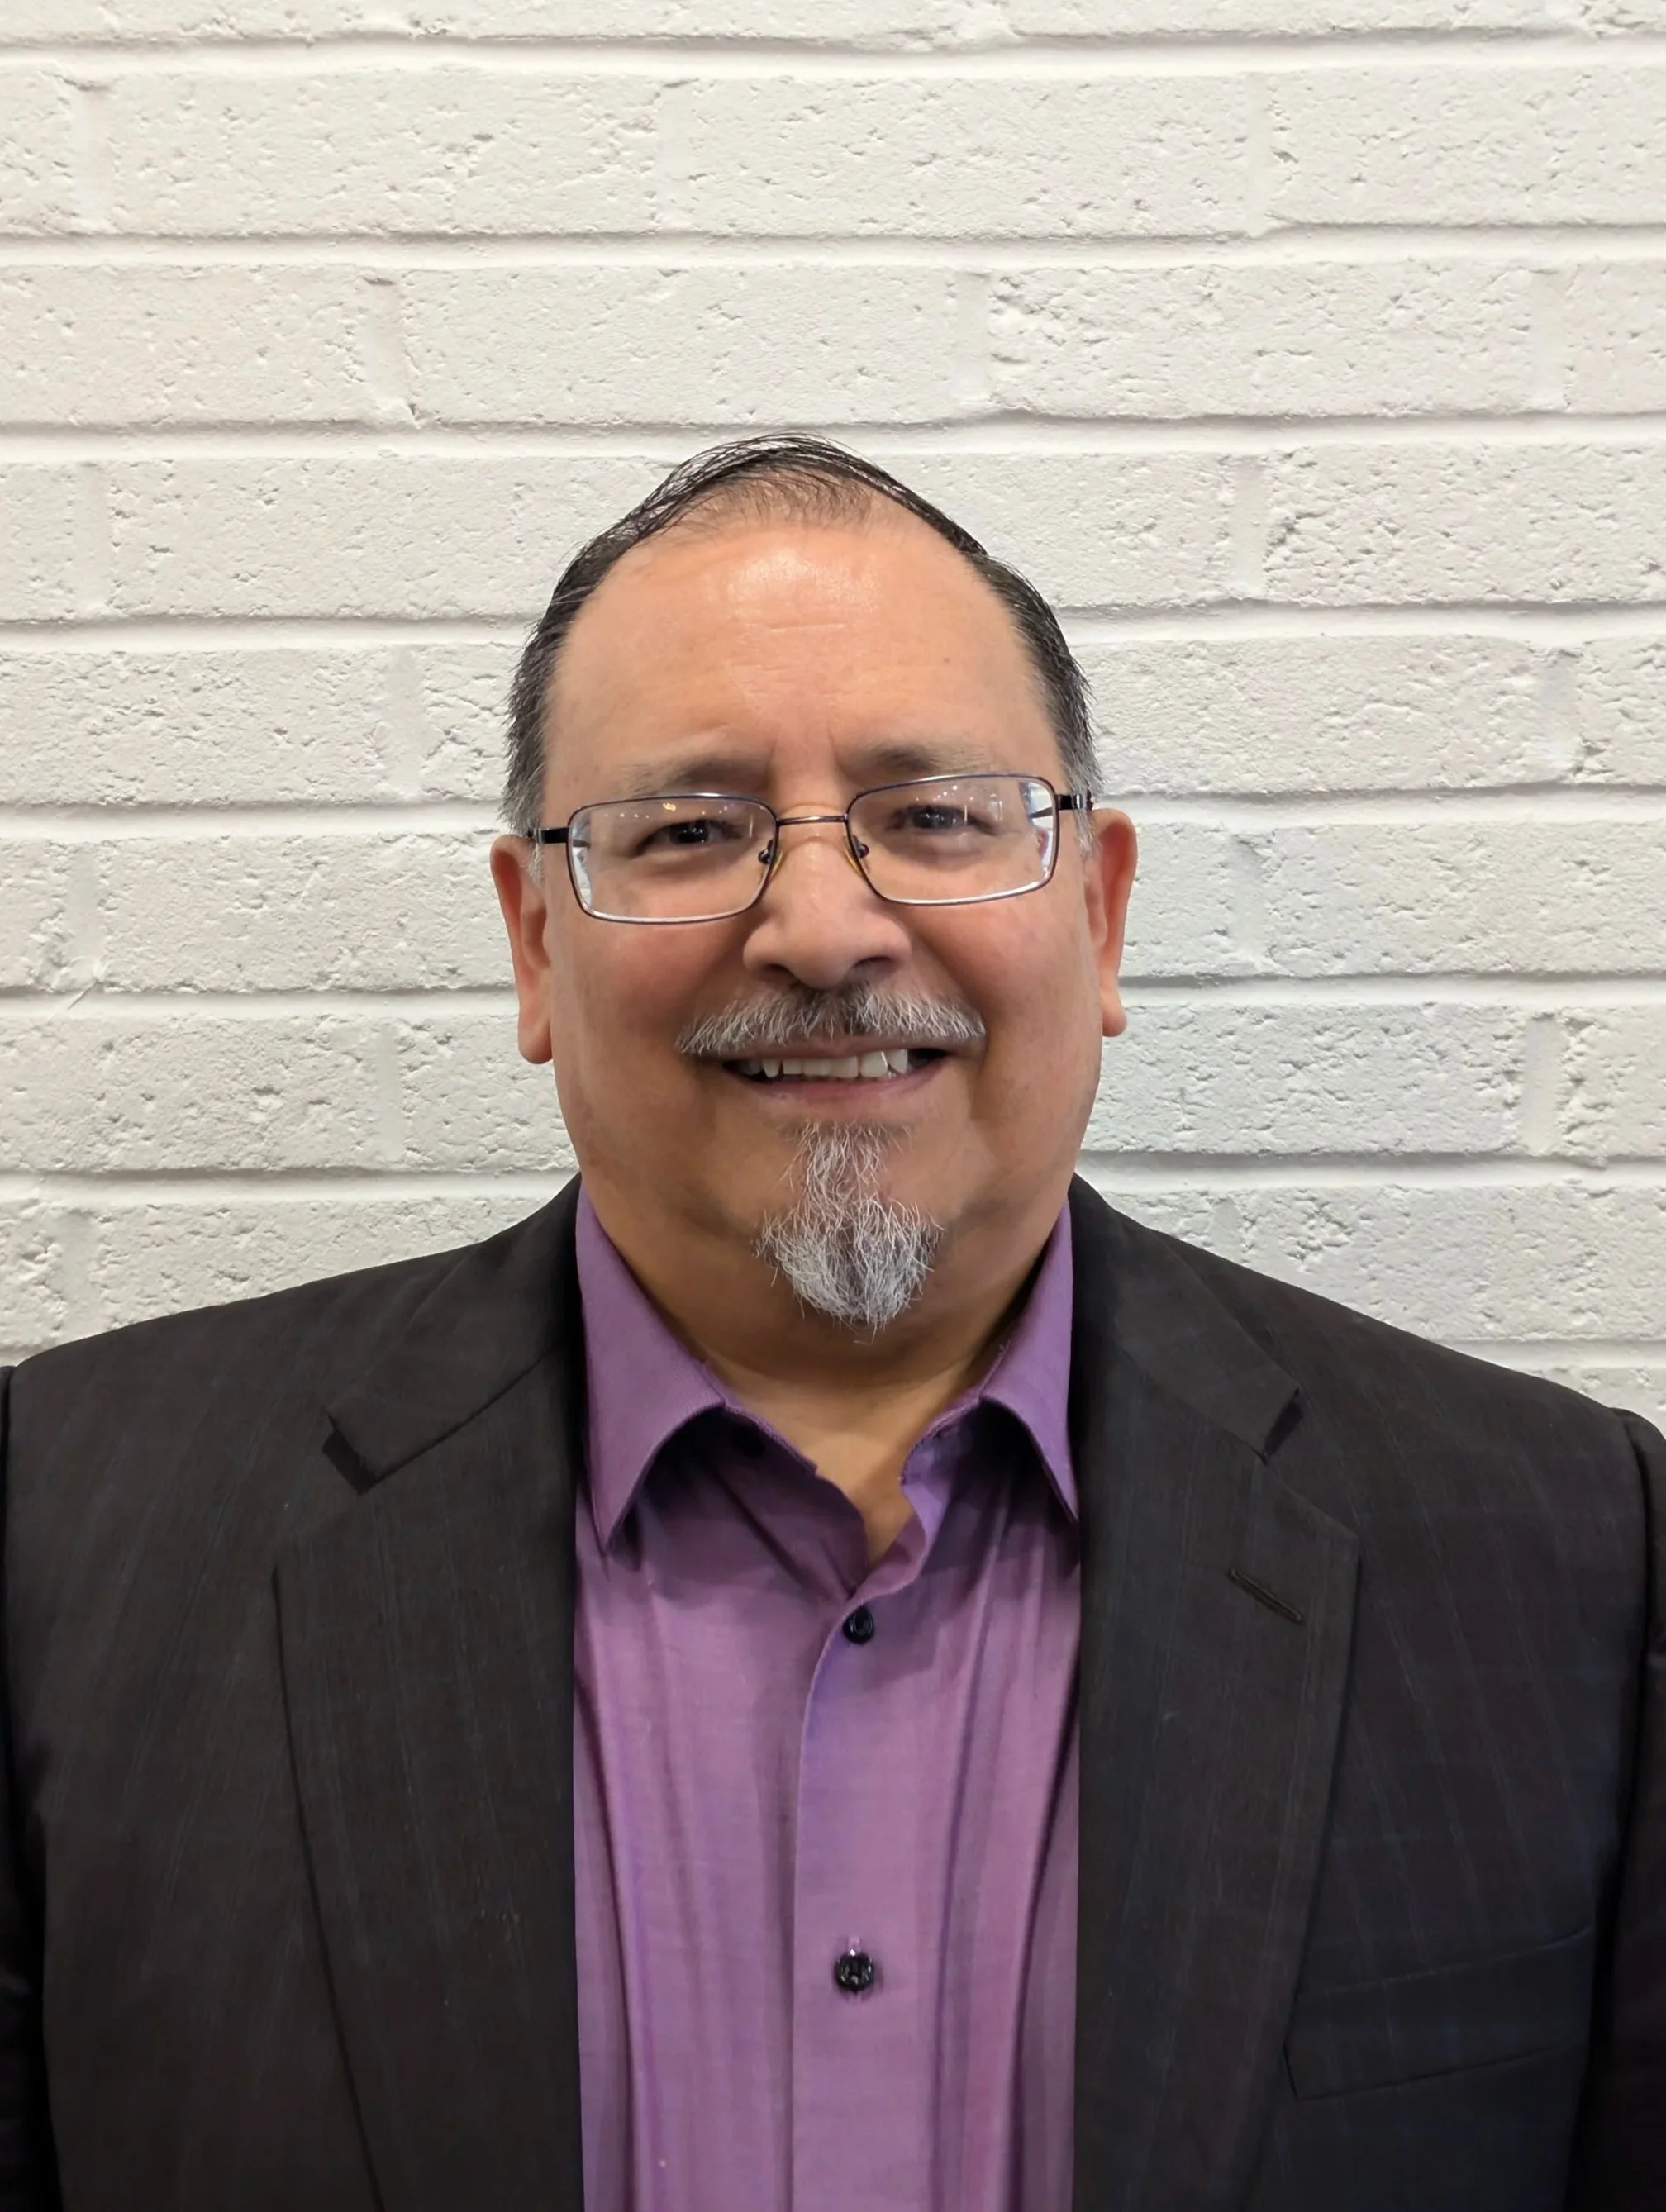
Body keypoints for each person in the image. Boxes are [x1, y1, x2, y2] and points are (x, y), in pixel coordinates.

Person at [0, 435, 1660, 2212]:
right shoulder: (65, 1538)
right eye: (690, 832)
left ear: (1099, 914)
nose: (820, 928)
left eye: (935, 818)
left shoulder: (1565, 1555)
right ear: (535, 946)